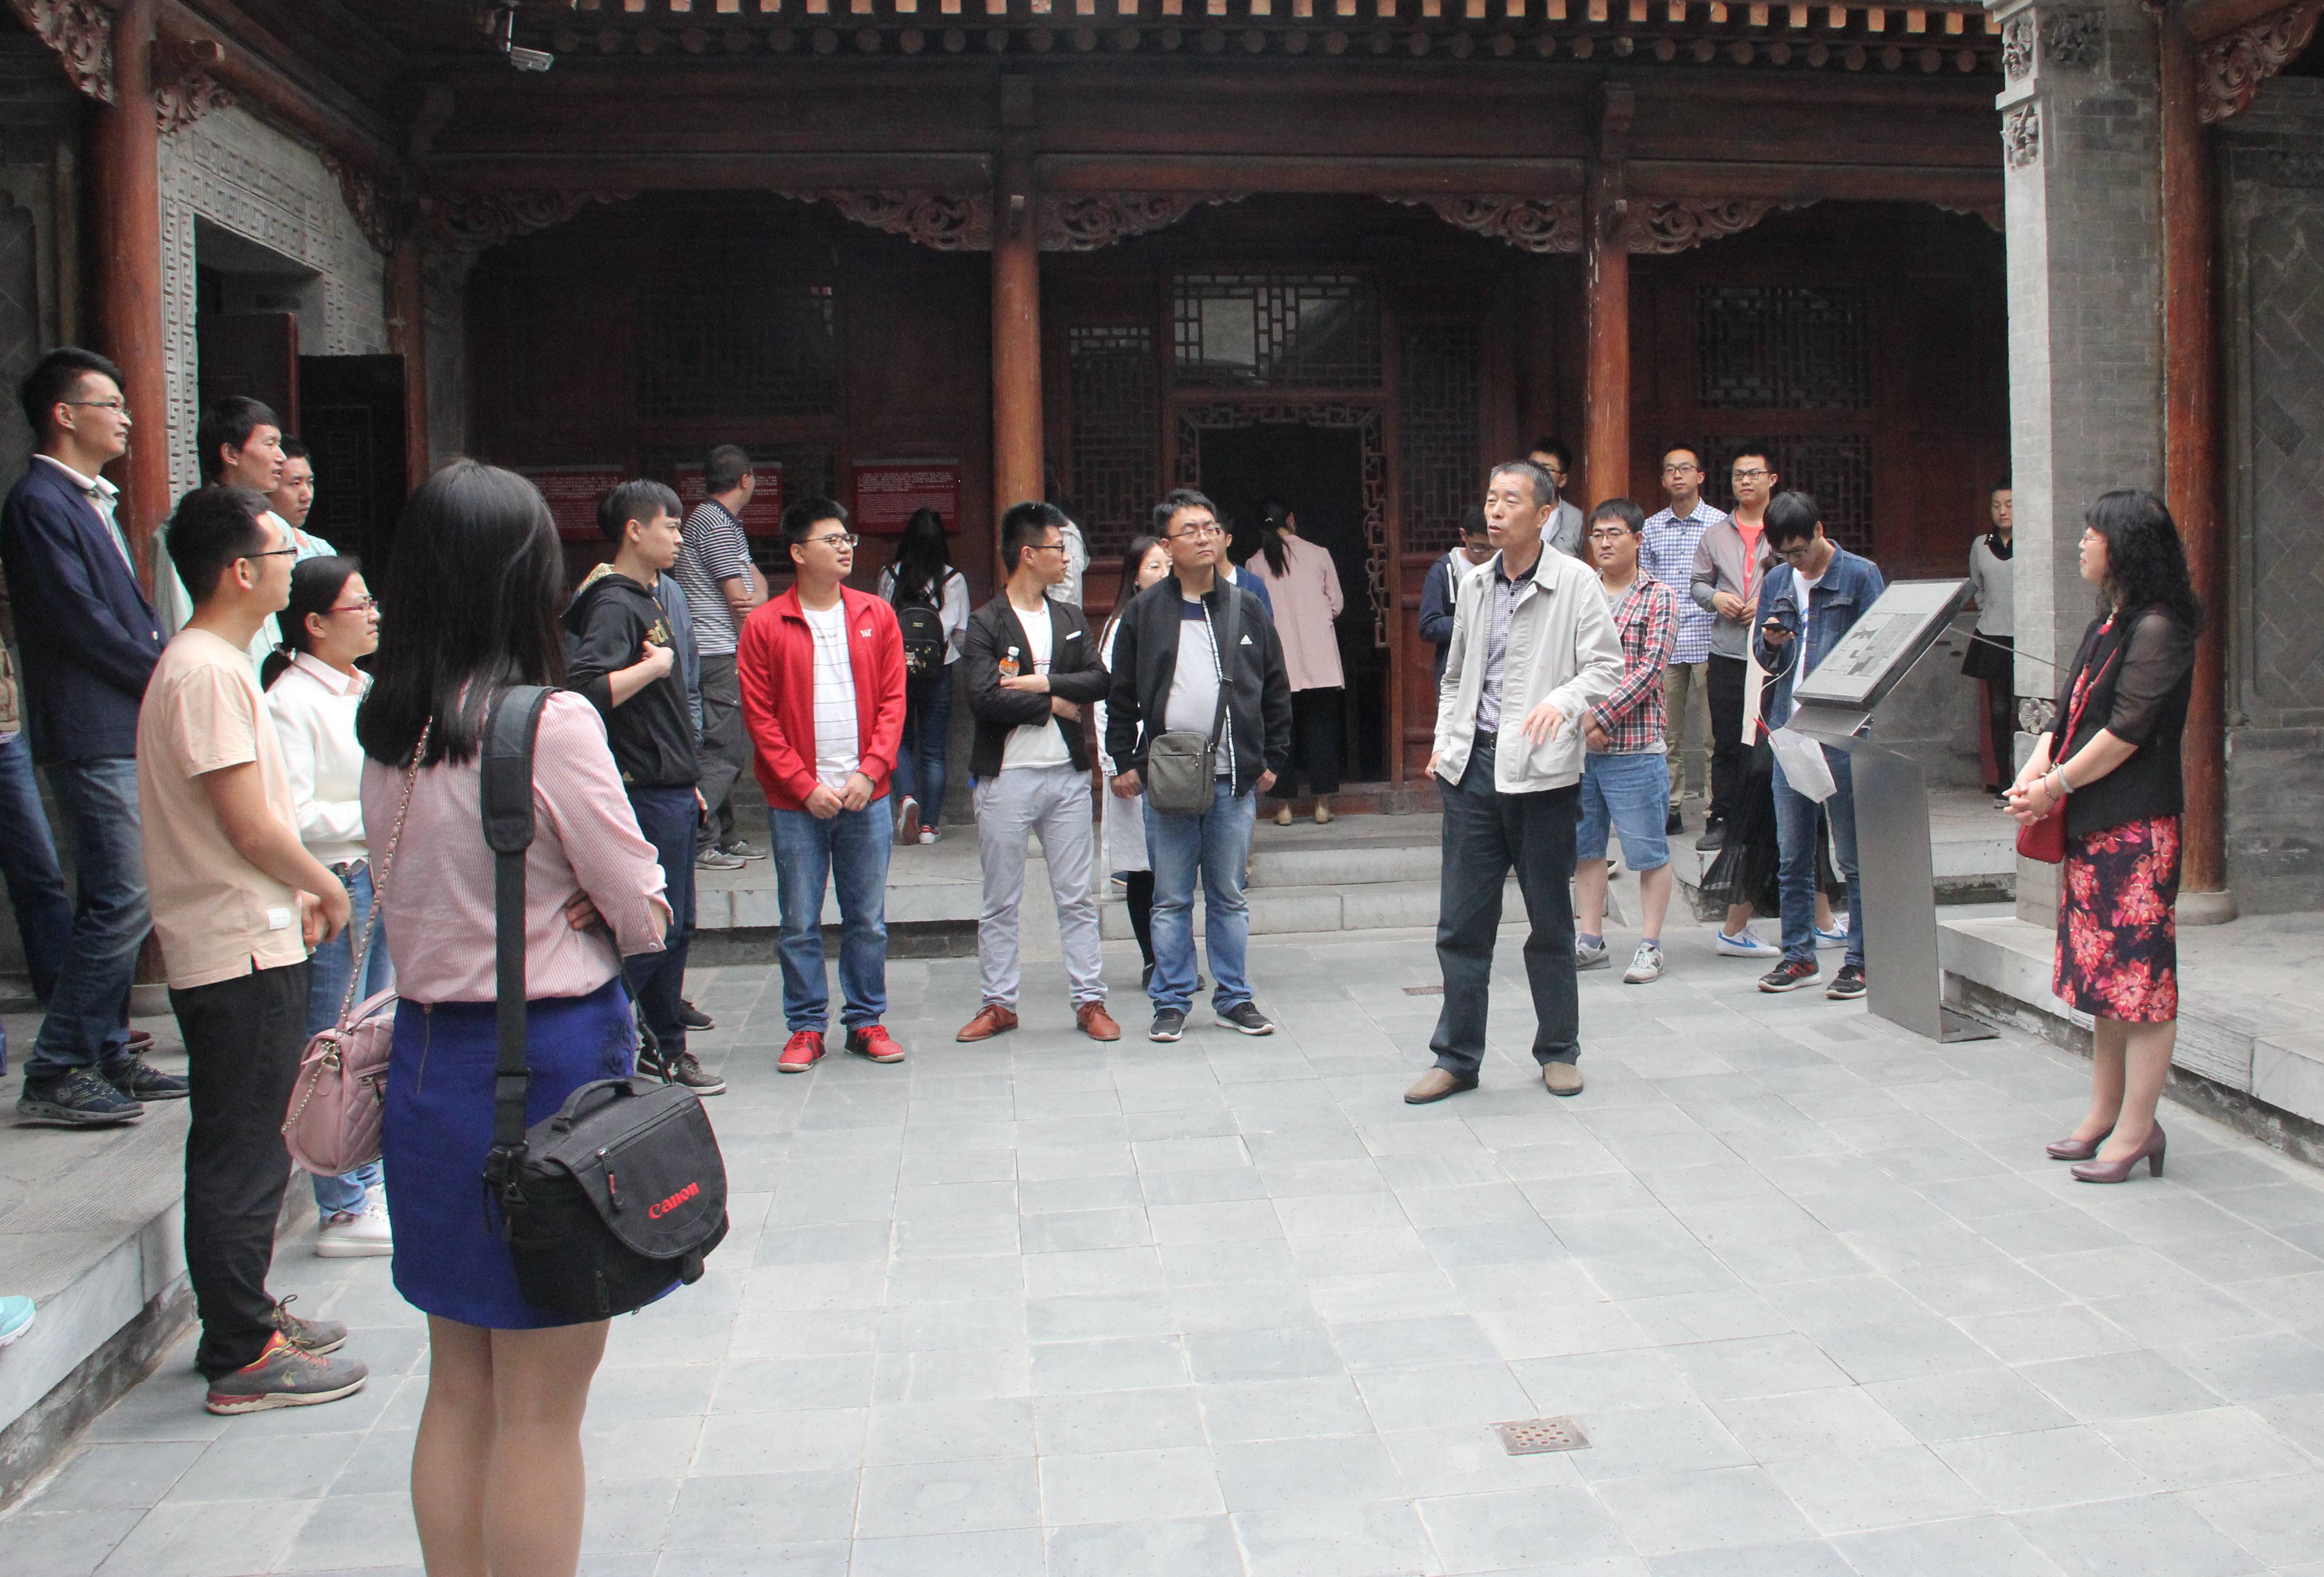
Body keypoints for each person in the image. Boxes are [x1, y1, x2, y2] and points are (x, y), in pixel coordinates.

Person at [355, 461, 672, 1574]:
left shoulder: (388, 725)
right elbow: (642, 904)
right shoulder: (550, 723)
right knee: (543, 1404)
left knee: (459, 1383)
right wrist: (594, 903)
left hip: (427, 1067)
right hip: (547, 1072)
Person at [140, 484, 365, 1413]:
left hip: (249, 931)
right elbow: (246, 822)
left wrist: (295, 889)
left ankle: (248, 1315)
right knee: (242, 1149)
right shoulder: (206, 671)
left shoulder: (217, 663)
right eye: (280, 554)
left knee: (248, 1141)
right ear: (240, 572)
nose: (290, 564)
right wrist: (322, 883)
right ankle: (241, 1349)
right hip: (234, 946)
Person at [1405, 462, 1621, 1105]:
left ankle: (1558, 1050)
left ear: (1545, 513)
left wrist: (1562, 700)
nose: (1494, 511)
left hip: (1541, 774)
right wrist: (1445, 742)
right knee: (1461, 924)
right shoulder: (1473, 583)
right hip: (1472, 770)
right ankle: (1455, 1058)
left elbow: (1606, 669)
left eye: (1509, 500)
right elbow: (1455, 676)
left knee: (1549, 921)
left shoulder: (1576, 582)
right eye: (1490, 499)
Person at [3, 347, 180, 1125]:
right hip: (89, 723)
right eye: (110, 404)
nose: (126, 418)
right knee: (123, 895)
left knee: (122, 893)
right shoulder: (39, 502)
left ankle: (106, 1050)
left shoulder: (84, 501)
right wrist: (165, 675)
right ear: (65, 415)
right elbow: (80, 622)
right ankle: (56, 1066)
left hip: (117, 720)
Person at [2008, 489, 2199, 1185]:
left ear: (2127, 546)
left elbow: (2125, 732)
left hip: (2137, 830)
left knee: (2141, 984)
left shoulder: (2160, 627)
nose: (2082, 544)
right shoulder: (2107, 623)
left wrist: (2054, 787)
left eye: (2094, 535)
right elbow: (2067, 716)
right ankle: (2104, 1113)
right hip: (2094, 825)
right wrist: (2034, 771)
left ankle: (2138, 1128)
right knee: (2103, 980)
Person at [1104, 488, 1291, 1043]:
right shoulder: (1144, 612)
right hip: (1168, 776)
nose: (1204, 538)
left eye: (1210, 528)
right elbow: (1122, 694)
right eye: (1190, 531)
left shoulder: (1245, 605)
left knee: (1229, 895)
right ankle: (1171, 999)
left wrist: (1272, 757)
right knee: (1169, 897)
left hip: (1234, 775)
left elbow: (1275, 687)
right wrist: (1124, 759)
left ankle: (1234, 997)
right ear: (1166, 545)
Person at [738, 497, 910, 1073]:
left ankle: (865, 1021)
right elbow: (760, 717)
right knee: (798, 922)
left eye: (847, 539)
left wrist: (871, 771)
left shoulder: (875, 614)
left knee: (867, 920)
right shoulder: (765, 624)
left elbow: (894, 701)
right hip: (797, 803)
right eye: (830, 540)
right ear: (797, 552)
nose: (844, 548)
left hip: (866, 795)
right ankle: (806, 1027)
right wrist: (801, 784)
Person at [565, 480, 721, 1095]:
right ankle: (595, 1041)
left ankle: (664, 1048)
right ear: (635, 530)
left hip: (670, 786)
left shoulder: (648, 597)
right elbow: (584, 689)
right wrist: (652, 667)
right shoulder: (613, 602)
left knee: (675, 927)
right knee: (653, 928)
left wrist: (686, 778)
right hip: (642, 792)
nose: (680, 538)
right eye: (671, 526)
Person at [262, 555, 395, 1257]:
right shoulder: (290, 701)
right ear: (314, 623)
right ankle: (340, 1204)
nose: (373, 615)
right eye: (358, 605)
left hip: (378, 870)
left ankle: (367, 1180)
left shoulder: (365, 687)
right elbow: (293, 812)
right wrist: (377, 813)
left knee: (375, 1034)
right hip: (335, 880)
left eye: (372, 602)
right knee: (334, 1042)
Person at [957, 502, 1118, 1045]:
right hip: (1006, 776)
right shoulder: (986, 621)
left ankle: (1089, 999)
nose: (1067, 558)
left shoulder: (1068, 618)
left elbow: (1098, 681)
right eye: (1058, 548)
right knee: (1001, 899)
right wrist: (1052, 705)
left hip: (1066, 777)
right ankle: (998, 1004)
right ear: (1028, 554)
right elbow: (983, 698)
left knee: (1076, 897)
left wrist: (1041, 684)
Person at [1753, 491, 1884, 999]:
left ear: (1820, 531)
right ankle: (1799, 955)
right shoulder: (1777, 580)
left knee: (1851, 854)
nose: (1795, 562)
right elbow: (1763, 657)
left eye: (1801, 550)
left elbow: (1879, 651)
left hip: (1841, 729)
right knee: (1793, 853)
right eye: (1784, 553)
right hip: (1788, 728)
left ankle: (1861, 960)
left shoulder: (1860, 575)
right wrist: (1771, 641)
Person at [1572, 500, 1678, 986]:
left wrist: (1599, 715)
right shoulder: (1579, 592)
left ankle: (1650, 944)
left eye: (1615, 533)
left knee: (1648, 851)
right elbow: (1562, 662)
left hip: (1635, 748)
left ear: (1638, 539)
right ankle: (1590, 940)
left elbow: (1651, 669)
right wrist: (1582, 721)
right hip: (1580, 749)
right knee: (1586, 848)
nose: (1605, 543)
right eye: (1597, 534)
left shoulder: (1659, 597)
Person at [673, 444, 767, 872]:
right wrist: (753, 651)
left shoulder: (724, 523)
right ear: (746, 479)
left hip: (716, 648)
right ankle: (698, 837)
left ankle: (724, 835)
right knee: (724, 750)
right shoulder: (715, 525)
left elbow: (755, 583)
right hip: (717, 650)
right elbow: (738, 597)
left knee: (724, 747)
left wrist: (757, 595)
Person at [1690, 441, 1778, 852]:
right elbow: (1697, 584)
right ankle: (1722, 818)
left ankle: (1765, 818)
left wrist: (1769, 603)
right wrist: (1717, 599)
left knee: (1768, 739)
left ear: (1772, 479)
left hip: (1774, 655)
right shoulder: (1715, 534)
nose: (1745, 481)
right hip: (1726, 651)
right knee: (1725, 740)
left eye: (1753, 474)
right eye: (1739, 475)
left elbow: (1802, 578)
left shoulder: (1783, 528)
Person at [156, 398, 294, 663]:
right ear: (231, 454)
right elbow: (176, 617)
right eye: (270, 444)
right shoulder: (192, 530)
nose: (282, 457)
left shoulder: (278, 527)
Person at [1097, 535, 1172, 988]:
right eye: (1153, 567)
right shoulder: (1122, 625)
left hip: (1172, 759)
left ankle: (1174, 957)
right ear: (1135, 577)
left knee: (1170, 864)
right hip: (1132, 762)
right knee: (1142, 867)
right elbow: (1107, 702)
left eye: (1167, 566)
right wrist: (1116, 762)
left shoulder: (1176, 616)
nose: (1162, 574)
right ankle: (1152, 958)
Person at [1641, 447, 1726, 836]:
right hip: (1667, 642)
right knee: (1666, 733)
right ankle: (1670, 807)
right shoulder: (1651, 527)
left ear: (1700, 476)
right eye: (1670, 470)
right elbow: (1646, 583)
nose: (1678, 475)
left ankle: (1714, 808)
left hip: (1710, 639)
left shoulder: (1719, 524)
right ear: (1663, 480)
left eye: (1685, 469)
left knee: (1712, 735)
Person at [1246, 497, 1346, 826]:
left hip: (1278, 660)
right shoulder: (1319, 554)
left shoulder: (1255, 563)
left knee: (1280, 734)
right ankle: (1322, 806)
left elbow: (1255, 612)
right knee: (1322, 730)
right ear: (1291, 518)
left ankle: (1284, 809)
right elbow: (1337, 604)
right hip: (1320, 659)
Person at [877, 507, 970, 845]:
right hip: (938, 670)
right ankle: (929, 826)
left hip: (896, 670)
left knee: (899, 741)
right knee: (933, 750)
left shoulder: (890, 575)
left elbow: (881, 622)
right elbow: (962, 632)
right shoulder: (953, 579)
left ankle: (905, 799)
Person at [1965, 479, 2016, 806]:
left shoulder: (2032, 540)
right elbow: (1977, 586)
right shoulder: (1981, 545)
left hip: (2027, 634)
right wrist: (1989, 611)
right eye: (1997, 505)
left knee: (2031, 709)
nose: (2003, 511)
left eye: (2010, 505)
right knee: (1999, 709)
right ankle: (2003, 782)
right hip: (1993, 633)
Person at [1419, 506, 1495, 688]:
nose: (1486, 555)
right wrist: (1472, 621)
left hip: (1495, 671)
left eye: (1493, 547)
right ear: (1464, 535)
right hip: (1457, 676)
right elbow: (1428, 626)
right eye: (1479, 547)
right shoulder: (1443, 571)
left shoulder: (1504, 565)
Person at [266, 436, 334, 558]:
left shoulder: (321, 550)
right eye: (296, 483)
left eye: (310, 483)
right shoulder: (256, 549)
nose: (308, 496)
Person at [1527, 437, 1587, 559]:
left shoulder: (1578, 520)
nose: (1537, 475)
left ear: (1562, 480)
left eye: (1546, 470)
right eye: (1533, 467)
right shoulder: (1514, 512)